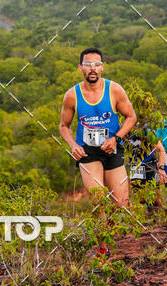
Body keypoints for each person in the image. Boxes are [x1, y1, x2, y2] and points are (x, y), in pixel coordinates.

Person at [59, 48, 137, 206]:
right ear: (80, 67)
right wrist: (73, 146)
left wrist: (116, 139)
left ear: (102, 67)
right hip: (87, 151)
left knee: (121, 204)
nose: (92, 68)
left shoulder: (114, 90)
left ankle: (119, 231)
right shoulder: (72, 95)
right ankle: (102, 230)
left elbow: (131, 117)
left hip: (112, 148)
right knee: (99, 199)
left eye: (96, 64)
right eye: (88, 64)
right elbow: (63, 126)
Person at [125, 125, 167, 207]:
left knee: (153, 195)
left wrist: (161, 169)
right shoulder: (124, 131)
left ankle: (159, 214)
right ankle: (150, 213)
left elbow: (161, 149)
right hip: (135, 166)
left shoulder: (147, 131)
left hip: (149, 163)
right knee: (140, 198)